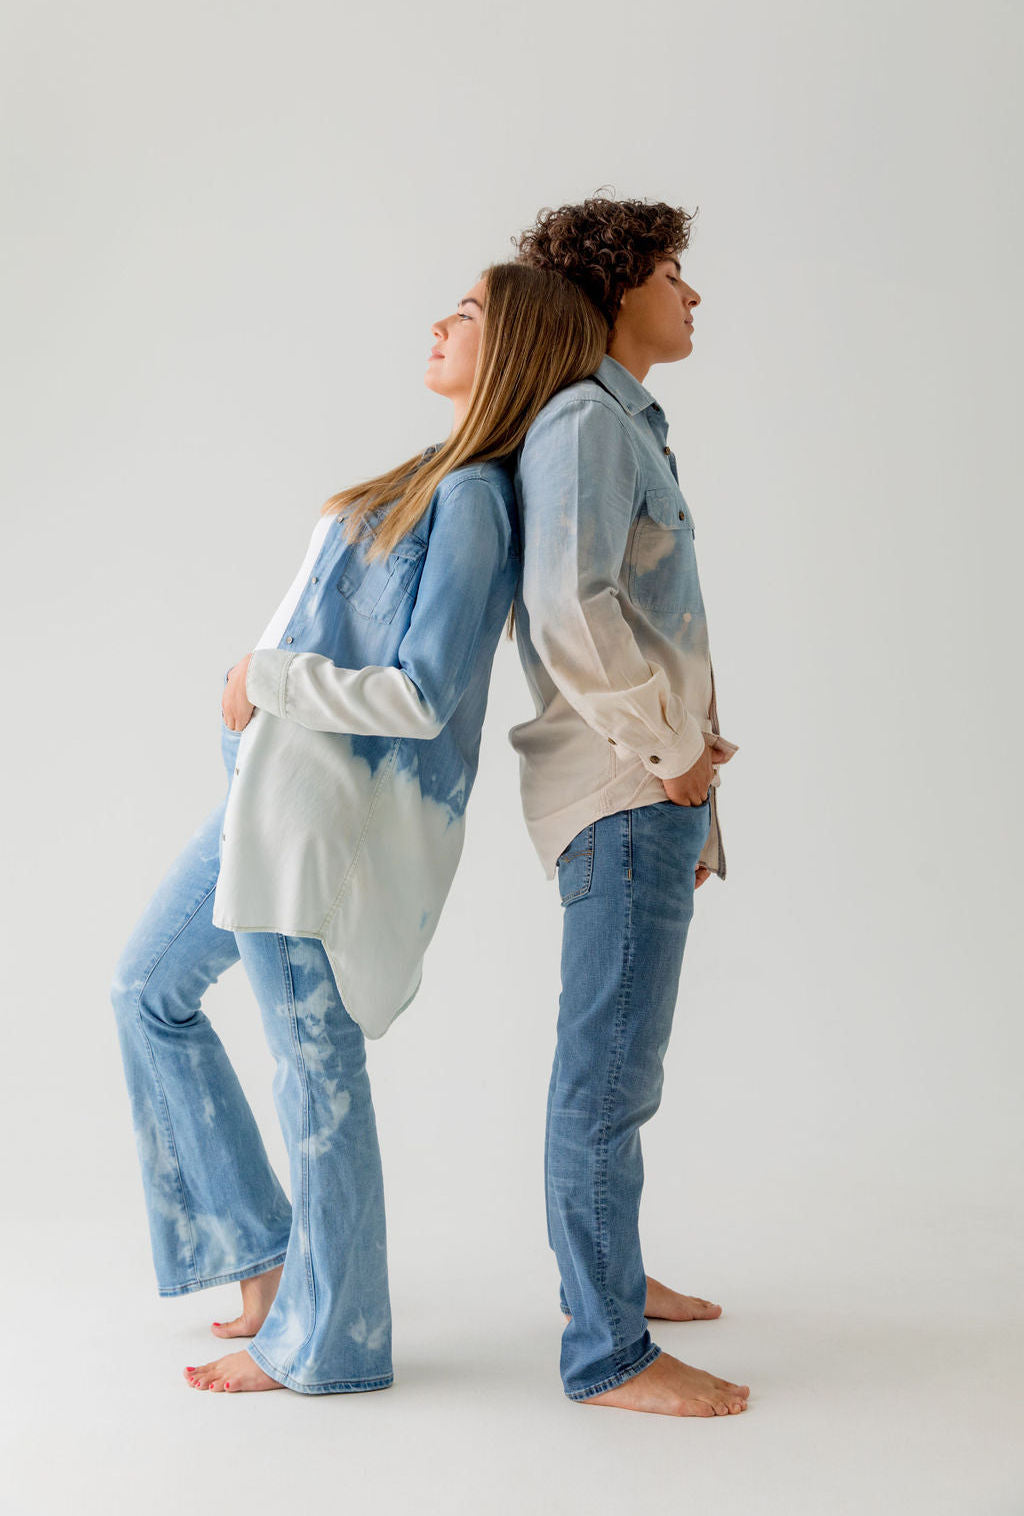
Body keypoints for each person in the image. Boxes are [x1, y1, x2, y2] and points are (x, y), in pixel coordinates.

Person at [110, 260, 607, 1396]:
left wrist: (268, 676)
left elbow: (424, 694)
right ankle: (263, 1257)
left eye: (470, 314)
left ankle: (337, 1341)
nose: (441, 322)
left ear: (517, 347)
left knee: (312, 1065)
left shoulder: (475, 498)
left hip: (321, 823)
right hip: (266, 799)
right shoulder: (421, 479)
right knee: (146, 991)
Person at [509, 195, 748, 1416]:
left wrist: (691, 798)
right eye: (671, 274)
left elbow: (643, 622)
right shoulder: (588, 425)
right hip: (621, 790)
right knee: (603, 1080)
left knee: (617, 1072)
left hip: (645, 795)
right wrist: (668, 760)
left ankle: (605, 1282)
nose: (692, 296)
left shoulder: (622, 425)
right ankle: (606, 1355)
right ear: (616, 289)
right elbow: (570, 608)